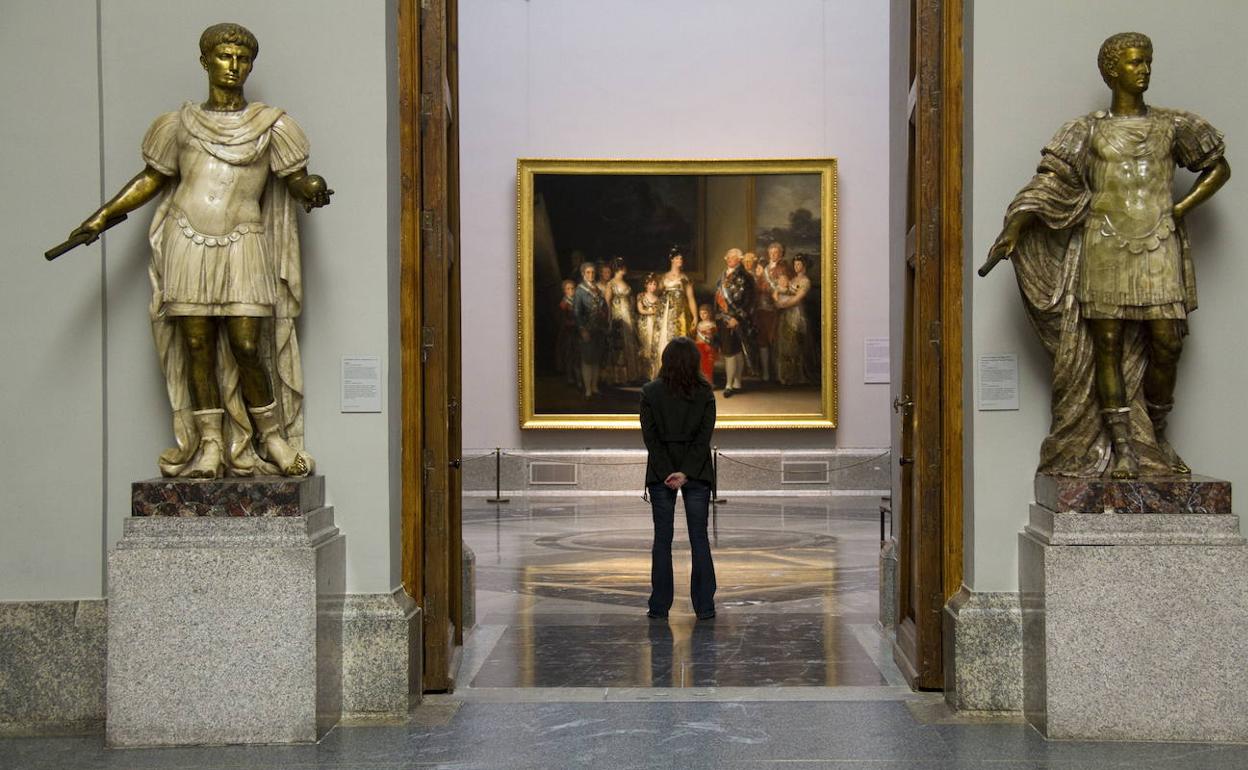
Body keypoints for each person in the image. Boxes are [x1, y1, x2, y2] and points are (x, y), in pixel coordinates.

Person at [67, 22, 332, 478]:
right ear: (205, 61)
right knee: (196, 344)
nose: (234, 66)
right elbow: (152, 179)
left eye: (243, 59)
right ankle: (210, 444)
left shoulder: (272, 125)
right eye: (225, 56)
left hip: (244, 240)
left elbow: (295, 179)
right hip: (186, 237)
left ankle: (272, 438)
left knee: (247, 345)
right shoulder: (178, 124)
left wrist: (312, 188)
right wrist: (103, 216)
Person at [986, 31, 1230, 479]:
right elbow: (1050, 183)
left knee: (1168, 343)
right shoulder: (1086, 130)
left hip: (1159, 242)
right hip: (1104, 244)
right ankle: (1123, 449)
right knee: (1108, 346)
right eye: (1136, 62)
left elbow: (1218, 167)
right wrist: (1015, 226)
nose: (1145, 70)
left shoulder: (1173, 125)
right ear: (1112, 70)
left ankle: (1155, 436)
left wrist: (1179, 209)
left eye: (1148, 61)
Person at [639, 337, 717, 621]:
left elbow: (651, 439)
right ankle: (704, 606)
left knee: (662, 539)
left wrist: (668, 471)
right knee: (699, 537)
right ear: (695, 362)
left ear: (666, 360)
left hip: (662, 474)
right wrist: (686, 472)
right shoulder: (705, 393)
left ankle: (659, 606)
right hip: (696, 472)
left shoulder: (650, 392)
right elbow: (703, 438)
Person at [713, 248, 757, 397]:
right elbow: (717, 297)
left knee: (734, 351)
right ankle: (736, 382)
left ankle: (730, 384)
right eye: (728, 257)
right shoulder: (722, 275)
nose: (728, 259)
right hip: (722, 318)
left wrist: (737, 318)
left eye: (732, 257)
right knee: (731, 350)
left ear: (739, 259)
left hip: (737, 319)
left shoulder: (746, 276)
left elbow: (750, 301)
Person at [754, 241, 792, 382]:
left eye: (776, 253)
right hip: (761, 309)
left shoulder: (784, 268)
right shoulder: (763, 268)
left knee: (775, 340)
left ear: (781, 254)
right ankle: (765, 372)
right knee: (762, 340)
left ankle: (778, 373)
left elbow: (786, 286)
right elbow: (759, 286)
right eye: (771, 252)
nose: (774, 255)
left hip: (775, 310)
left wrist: (771, 288)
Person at [774, 255, 814, 385]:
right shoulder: (792, 279)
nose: (796, 266)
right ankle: (786, 376)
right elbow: (781, 292)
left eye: (798, 264)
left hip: (796, 315)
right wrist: (777, 300)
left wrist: (782, 304)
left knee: (795, 344)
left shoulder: (805, 281)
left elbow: (797, 299)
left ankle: (797, 376)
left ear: (804, 265)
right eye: (795, 264)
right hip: (786, 314)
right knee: (785, 344)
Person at [572, 262, 609, 398]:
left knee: (596, 359)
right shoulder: (580, 291)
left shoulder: (597, 289)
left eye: (593, 272)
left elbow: (603, 307)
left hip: (599, 329)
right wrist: (582, 330)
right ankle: (588, 389)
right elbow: (576, 312)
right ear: (583, 274)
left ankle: (594, 387)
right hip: (587, 330)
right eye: (588, 272)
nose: (591, 275)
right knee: (587, 359)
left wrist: (604, 318)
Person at [655, 247, 698, 359]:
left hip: (681, 314)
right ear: (672, 259)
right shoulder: (663, 277)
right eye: (678, 258)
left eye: (681, 258)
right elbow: (657, 294)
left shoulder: (685, 278)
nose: (680, 260)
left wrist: (695, 316)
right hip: (666, 314)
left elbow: (691, 298)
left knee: (681, 339)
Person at [604, 257, 642, 384]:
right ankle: (619, 377)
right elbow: (607, 303)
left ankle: (631, 376)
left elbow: (631, 301)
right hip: (618, 318)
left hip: (629, 317)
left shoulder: (626, 283)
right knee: (619, 346)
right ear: (619, 268)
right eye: (624, 266)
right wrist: (609, 319)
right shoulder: (611, 284)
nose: (626, 269)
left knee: (630, 344)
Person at [555, 279, 582, 390]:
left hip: (577, 331)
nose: (571, 290)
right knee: (569, 354)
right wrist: (571, 323)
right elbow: (562, 320)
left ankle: (579, 379)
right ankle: (570, 377)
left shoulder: (577, 301)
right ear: (564, 291)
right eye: (568, 289)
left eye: (572, 288)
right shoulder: (563, 304)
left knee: (578, 355)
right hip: (568, 333)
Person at [636, 273, 663, 380]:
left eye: (654, 284)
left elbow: (660, 312)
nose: (652, 286)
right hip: (644, 324)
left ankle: (652, 374)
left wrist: (657, 313)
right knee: (644, 346)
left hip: (655, 324)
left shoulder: (658, 298)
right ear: (646, 285)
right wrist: (652, 312)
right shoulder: (641, 296)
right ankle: (643, 374)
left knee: (653, 347)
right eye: (650, 284)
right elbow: (640, 310)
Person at [694, 304, 719, 386]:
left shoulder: (712, 324)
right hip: (699, 346)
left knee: (708, 365)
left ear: (709, 313)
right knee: (701, 364)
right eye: (700, 313)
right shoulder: (699, 324)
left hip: (708, 347)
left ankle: (709, 382)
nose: (702, 315)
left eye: (705, 313)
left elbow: (713, 336)